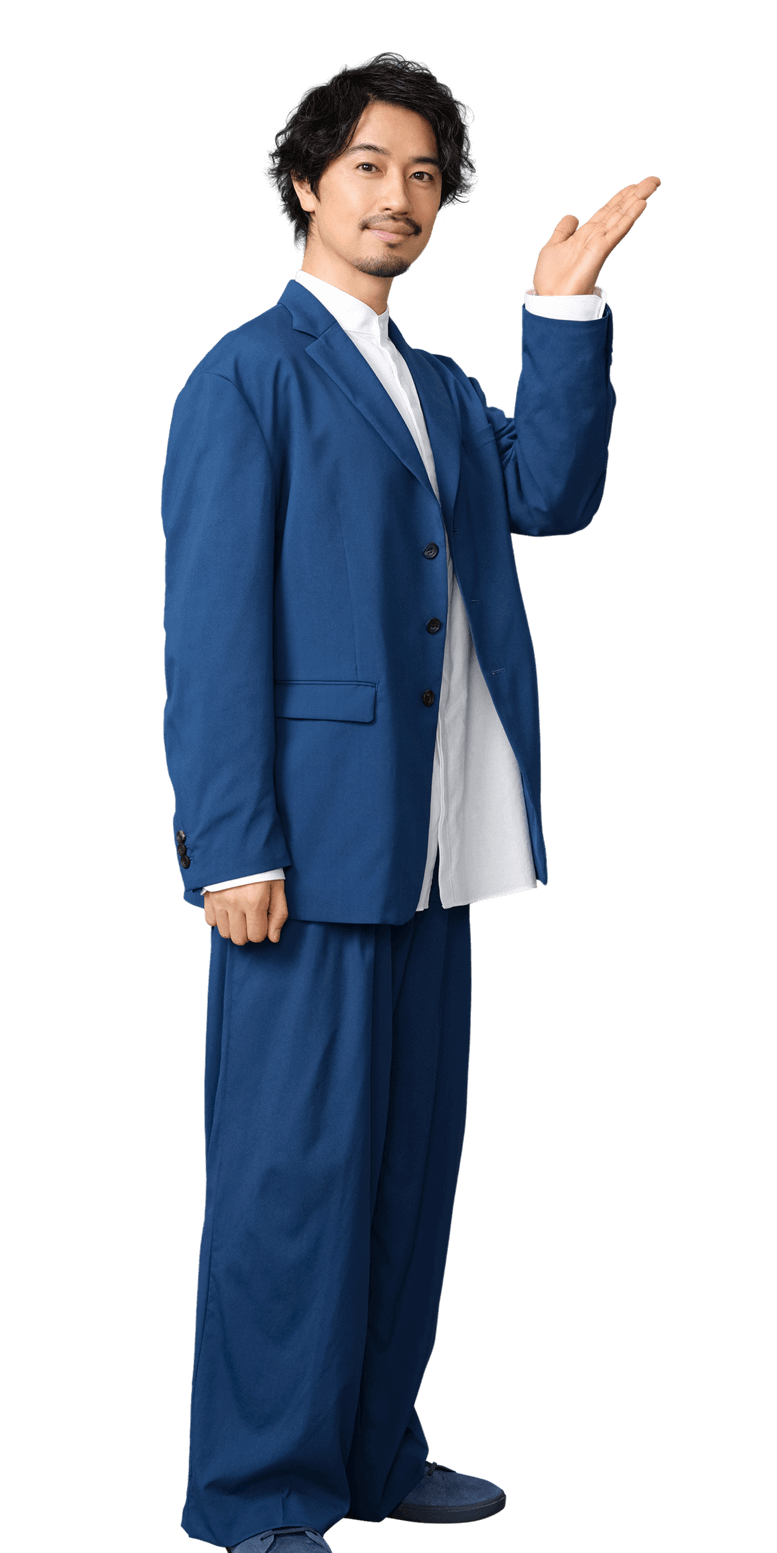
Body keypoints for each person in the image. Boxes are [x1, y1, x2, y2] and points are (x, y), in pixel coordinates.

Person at [161, 50, 660, 1553]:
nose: (402, 195)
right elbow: (211, 629)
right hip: (305, 853)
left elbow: (552, 497)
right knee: (291, 1182)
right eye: (371, 166)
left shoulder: (438, 385)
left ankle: (376, 1457)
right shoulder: (247, 375)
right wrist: (230, 842)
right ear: (306, 183)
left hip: (437, 848)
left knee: (406, 1177)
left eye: (426, 174)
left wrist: (561, 310)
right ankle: (258, 1490)